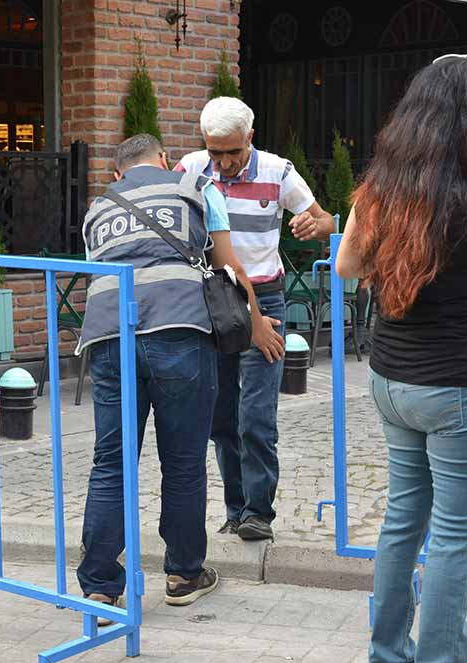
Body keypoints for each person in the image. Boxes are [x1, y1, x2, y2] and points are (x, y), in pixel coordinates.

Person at [334, 53, 467, 663]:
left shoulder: (378, 191)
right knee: (453, 541)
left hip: (394, 380)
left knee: (403, 523)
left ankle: (387, 652)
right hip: (462, 389)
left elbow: (345, 266)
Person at [76, 133, 280, 619]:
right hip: (180, 332)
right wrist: (254, 322)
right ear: (165, 160)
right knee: (184, 461)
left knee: (111, 460)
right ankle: (184, 574)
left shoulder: (97, 207)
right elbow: (229, 267)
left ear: (118, 173)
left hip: (108, 338)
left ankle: (101, 587)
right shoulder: (195, 186)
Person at [175, 97, 335, 541]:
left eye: (233, 152)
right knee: (221, 418)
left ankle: (258, 512)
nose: (223, 163)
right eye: (215, 153)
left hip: (265, 298)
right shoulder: (189, 169)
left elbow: (325, 220)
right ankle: (235, 508)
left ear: (250, 137)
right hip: (211, 299)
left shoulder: (278, 171)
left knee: (256, 417)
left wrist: (311, 226)